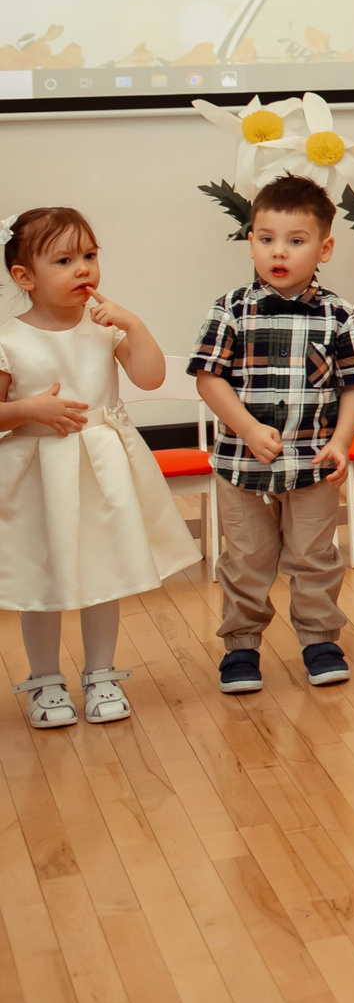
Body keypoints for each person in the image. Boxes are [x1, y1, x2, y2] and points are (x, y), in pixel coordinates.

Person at [1, 207, 198, 728]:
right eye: (64, 260)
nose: (83, 268)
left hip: (102, 469)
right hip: (38, 474)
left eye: (89, 256)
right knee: (40, 579)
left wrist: (133, 323)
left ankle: (101, 673)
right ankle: (44, 680)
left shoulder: (102, 325)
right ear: (25, 277)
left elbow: (151, 377)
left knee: (103, 571)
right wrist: (27, 409)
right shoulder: (9, 339)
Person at [187, 176, 354, 694]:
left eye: (296, 240)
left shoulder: (340, 314)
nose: (279, 251)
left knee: (315, 556)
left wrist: (340, 443)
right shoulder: (230, 308)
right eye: (266, 237)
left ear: (325, 247)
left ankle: (320, 640)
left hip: (313, 463)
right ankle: (242, 645)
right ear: (250, 240)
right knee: (245, 558)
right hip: (241, 464)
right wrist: (247, 428)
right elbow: (209, 378)